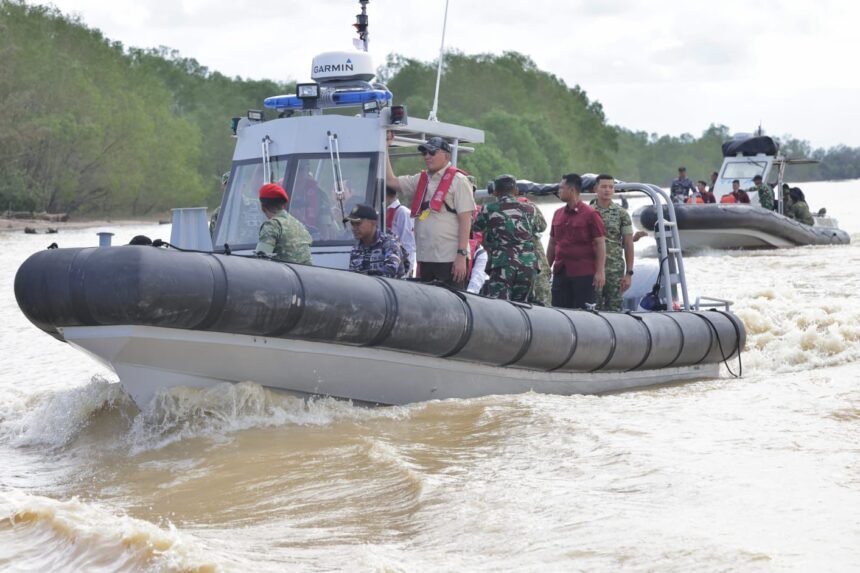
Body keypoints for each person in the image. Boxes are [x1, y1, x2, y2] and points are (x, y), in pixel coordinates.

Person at [386, 135, 476, 289]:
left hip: (449, 258)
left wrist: (461, 256)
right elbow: (391, 181)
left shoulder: (459, 181)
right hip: (426, 258)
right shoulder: (420, 179)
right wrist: (385, 147)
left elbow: (465, 220)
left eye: (432, 152)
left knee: (452, 306)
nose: (427, 156)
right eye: (424, 153)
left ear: (446, 156)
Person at [473, 174, 543, 302]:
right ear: (515, 190)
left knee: (500, 307)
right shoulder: (530, 209)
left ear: (495, 191)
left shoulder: (488, 209)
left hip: (503, 264)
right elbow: (540, 227)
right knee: (522, 308)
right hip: (527, 265)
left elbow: (476, 227)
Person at [546, 173, 606, 309]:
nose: (559, 191)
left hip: (583, 272)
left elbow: (600, 243)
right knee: (559, 309)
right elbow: (552, 243)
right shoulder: (558, 214)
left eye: (561, 188)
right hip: (561, 271)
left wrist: (600, 271)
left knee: (584, 311)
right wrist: (546, 267)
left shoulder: (591, 214)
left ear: (572, 190)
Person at [592, 174, 634, 312]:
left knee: (614, 309)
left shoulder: (621, 214)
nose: (607, 190)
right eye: (603, 186)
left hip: (614, 270)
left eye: (611, 187)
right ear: (595, 189)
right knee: (592, 307)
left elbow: (628, 244)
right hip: (592, 267)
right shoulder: (587, 211)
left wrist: (628, 273)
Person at [255, 182, 313, 264]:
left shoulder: (272, 226)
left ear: (262, 207)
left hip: (285, 275)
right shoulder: (299, 225)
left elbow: (260, 262)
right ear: (284, 205)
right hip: (307, 274)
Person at [345, 203, 408, 278]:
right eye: (352, 224)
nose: (354, 228)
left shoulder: (390, 243)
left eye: (358, 223)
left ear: (373, 223)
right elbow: (353, 277)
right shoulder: (356, 249)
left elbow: (390, 271)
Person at [385, 186, 416, 277]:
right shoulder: (385, 212)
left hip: (401, 263)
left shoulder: (403, 212)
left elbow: (408, 243)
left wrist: (408, 269)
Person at [210, 171, 230, 236]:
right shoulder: (217, 214)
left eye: (236, 184)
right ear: (222, 188)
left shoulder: (255, 206)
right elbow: (212, 241)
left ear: (243, 186)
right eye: (228, 185)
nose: (232, 188)